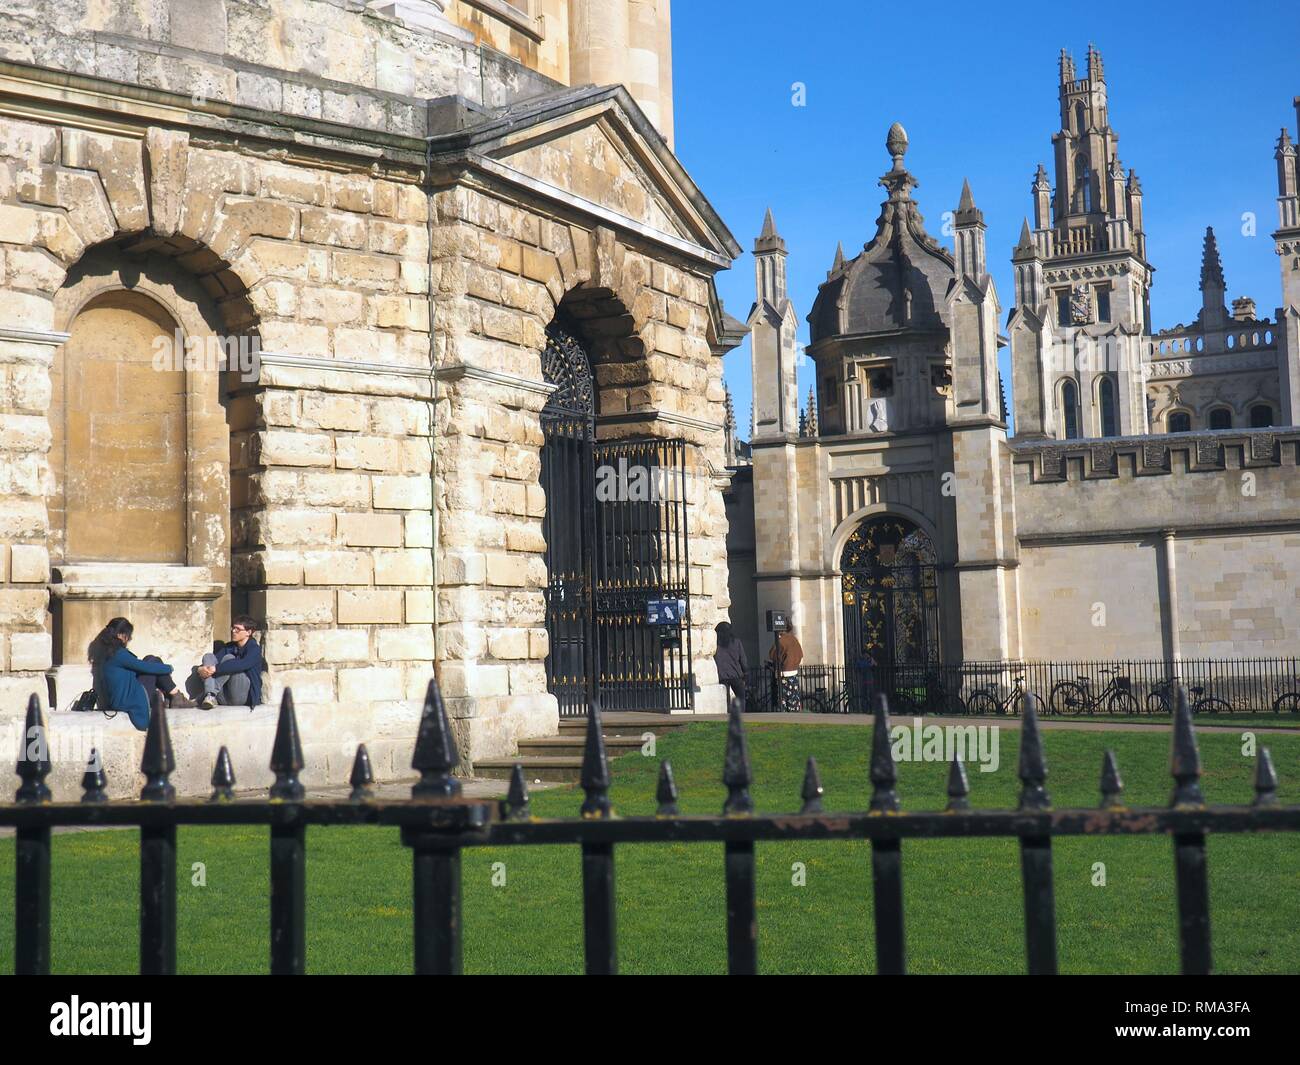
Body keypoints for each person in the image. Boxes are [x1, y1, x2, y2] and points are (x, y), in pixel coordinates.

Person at [89, 617, 196, 732]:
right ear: (121, 635)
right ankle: (176, 697)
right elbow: (145, 667)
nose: (129, 640)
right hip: (127, 700)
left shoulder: (106, 652)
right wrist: (170, 668)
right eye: (128, 637)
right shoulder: (119, 654)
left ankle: (174, 697)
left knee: (150, 659)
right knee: (154, 662)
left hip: (119, 697)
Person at [195, 615, 265, 710]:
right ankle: (210, 695)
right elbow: (212, 663)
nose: (233, 631)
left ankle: (207, 694)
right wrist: (200, 669)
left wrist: (216, 669)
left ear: (248, 632)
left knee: (229, 659)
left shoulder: (254, 649)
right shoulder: (229, 647)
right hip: (223, 696)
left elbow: (243, 664)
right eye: (233, 628)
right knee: (208, 656)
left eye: (238, 629)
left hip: (241, 698)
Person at [714, 621, 750, 713]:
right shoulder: (736, 642)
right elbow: (743, 659)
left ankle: (727, 716)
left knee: (725, 700)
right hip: (736, 674)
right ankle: (741, 716)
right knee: (741, 698)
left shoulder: (716, 644)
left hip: (722, 675)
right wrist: (746, 672)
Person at [768, 622, 805, 713]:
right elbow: (800, 654)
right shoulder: (794, 639)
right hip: (794, 672)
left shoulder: (781, 641)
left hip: (784, 673)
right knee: (794, 698)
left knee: (783, 699)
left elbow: (772, 654)